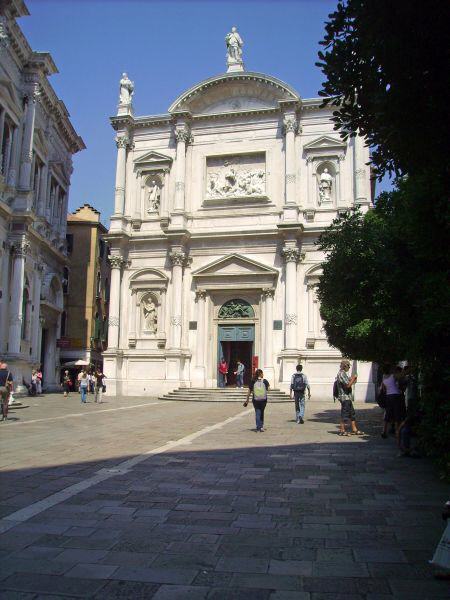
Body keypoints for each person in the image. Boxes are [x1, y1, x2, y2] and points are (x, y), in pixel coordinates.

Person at [336, 359, 364, 436]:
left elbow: (350, 382)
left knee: (352, 413)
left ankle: (354, 429)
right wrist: (353, 379)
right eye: (348, 366)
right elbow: (348, 385)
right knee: (344, 414)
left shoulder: (344, 373)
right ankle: (342, 430)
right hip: (344, 397)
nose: (349, 368)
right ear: (345, 366)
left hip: (348, 397)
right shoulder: (341, 374)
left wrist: (353, 379)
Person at [380, 364, 407, 438]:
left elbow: (384, 390)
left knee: (387, 414)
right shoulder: (393, 376)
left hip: (388, 397)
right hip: (396, 396)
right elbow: (401, 376)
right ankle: (397, 431)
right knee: (396, 414)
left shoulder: (384, 378)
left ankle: (384, 431)